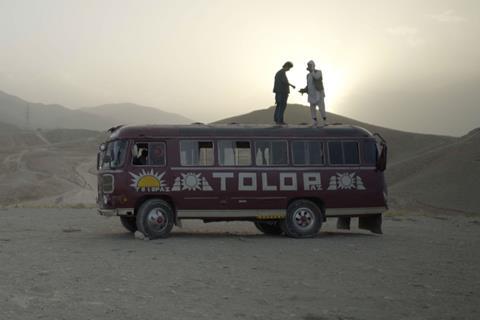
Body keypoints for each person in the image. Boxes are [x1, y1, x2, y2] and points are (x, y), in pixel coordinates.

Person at [299, 60, 326, 126]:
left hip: (318, 93)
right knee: (312, 108)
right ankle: (314, 121)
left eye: (310, 65)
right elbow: (308, 85)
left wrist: (312, 70)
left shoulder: (318, 72)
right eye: (308, 66)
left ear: (313, 66)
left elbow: (316, 77)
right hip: (311, 94)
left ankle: (324, 121)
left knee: (321, 108)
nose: (309, 67)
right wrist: (304, 90)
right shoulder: (308, 75)